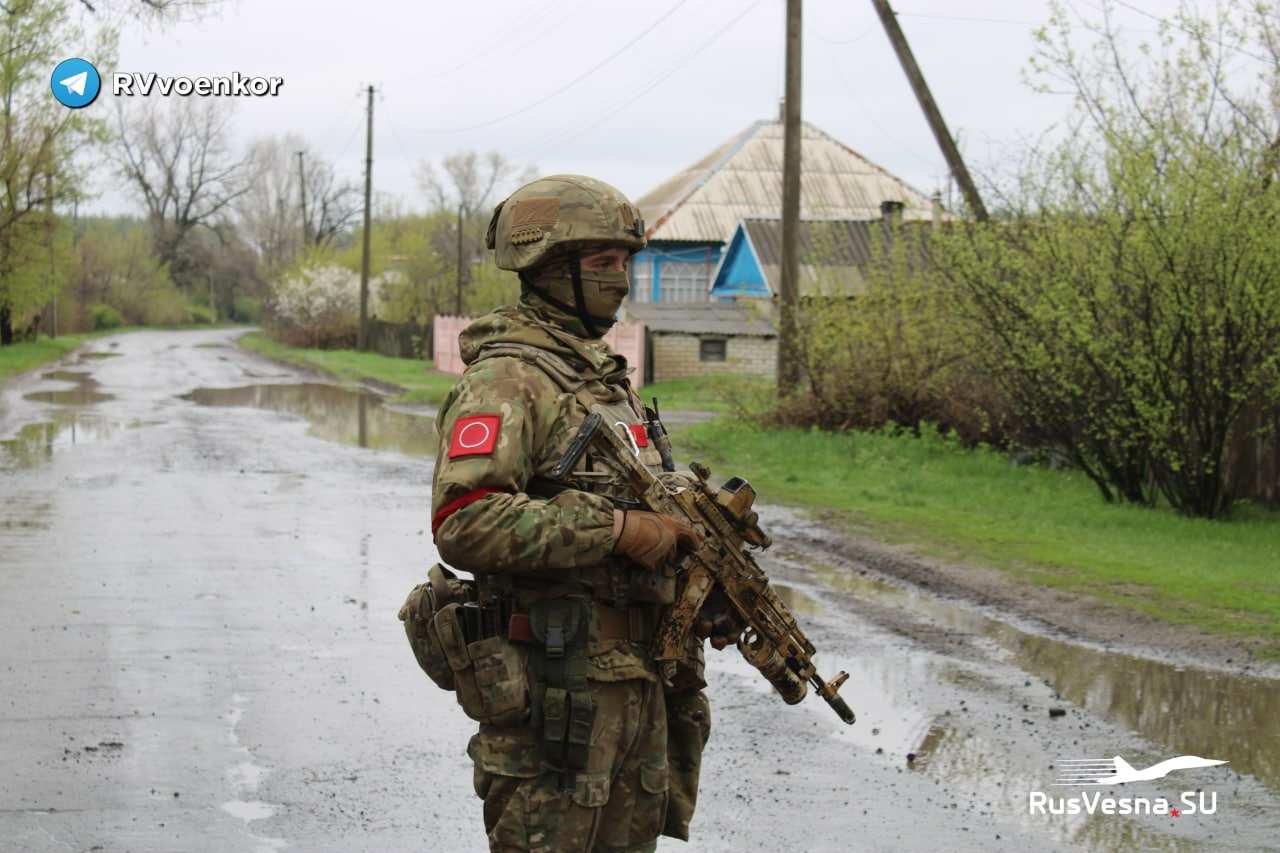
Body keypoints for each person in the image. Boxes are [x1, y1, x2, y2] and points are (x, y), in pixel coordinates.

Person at [429, 174, 718, 852]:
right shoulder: (509, 379)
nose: (621, 279)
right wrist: (615, 530)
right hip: (559, 694)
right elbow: (464, 519)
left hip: (637, 688)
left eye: (625, 262)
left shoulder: (602, 383)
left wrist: (697, 590)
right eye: (602, 264)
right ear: (549, 269)